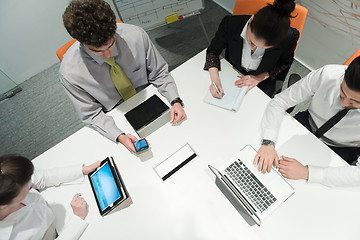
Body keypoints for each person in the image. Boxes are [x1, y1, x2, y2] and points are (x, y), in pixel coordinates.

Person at [59, 0, 186, 153]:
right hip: (115, 116)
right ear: (81, 42)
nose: (107, 55)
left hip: (149, 96)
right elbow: (91, 115)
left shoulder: (136, 35)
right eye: (97, 51)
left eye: (111, 45)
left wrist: (175, 100)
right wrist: (119, 136)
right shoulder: (70, 73)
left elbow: (159, 72)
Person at [254, 56, 360, 187]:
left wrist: (308, 172)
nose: (344, 103)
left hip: (341, 148)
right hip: (307, 124)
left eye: (355, 102)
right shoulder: (329, 74)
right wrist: (268, 142)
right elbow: (280, 102)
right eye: (342, 92)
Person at [204, 0, 299, 98]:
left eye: (263, 48)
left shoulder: (289, 37)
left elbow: (284, 63)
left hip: (263, 83)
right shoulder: (231, 24)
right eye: (251, 42)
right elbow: (213, 52)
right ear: (251, 20)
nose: (253, 48)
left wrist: (259, 78)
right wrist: (215, 80)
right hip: (232, 74)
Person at [0, 154, 100, 239]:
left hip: (56, 216)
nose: (33, 185)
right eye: (29, 189)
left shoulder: (9, 176)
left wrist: (81, 170)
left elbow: (43, 177)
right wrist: (78, 218)